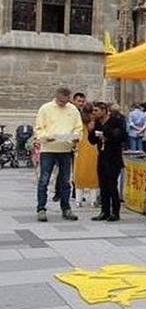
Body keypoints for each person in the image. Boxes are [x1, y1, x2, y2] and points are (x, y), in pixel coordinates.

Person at [35, 87, 83, 222]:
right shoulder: (45, 108)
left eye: (66, 101)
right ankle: (41, 208)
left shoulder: (73, 110)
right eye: (61, 101)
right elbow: (39, 128)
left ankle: (66, 208)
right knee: (44, 180)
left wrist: (76, 137)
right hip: (48, 149)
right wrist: (46, 137)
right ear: (56, 97)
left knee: (65, 181)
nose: (63, 103)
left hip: (65, 149)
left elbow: (78, 128)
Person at [88, 102, 126, 221]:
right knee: (103, 185)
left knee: (112, 185)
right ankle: (104, 211)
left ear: (104, 110)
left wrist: (106, 134)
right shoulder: (97, 123)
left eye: (96, 111)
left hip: (113, 157)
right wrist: (91, 130)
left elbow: (121, 136)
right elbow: (92, 141)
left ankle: (115, 212)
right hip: (102, 157)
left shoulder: (116, 121)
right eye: (93, 111)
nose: (94, 113)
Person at [74, 102, 100, 208]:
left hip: (80, 147)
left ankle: (78, 200)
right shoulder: (94, 121)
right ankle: (93, 200)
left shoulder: (78, 121)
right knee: (93, 174)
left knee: (79, 173)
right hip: (93, 148)